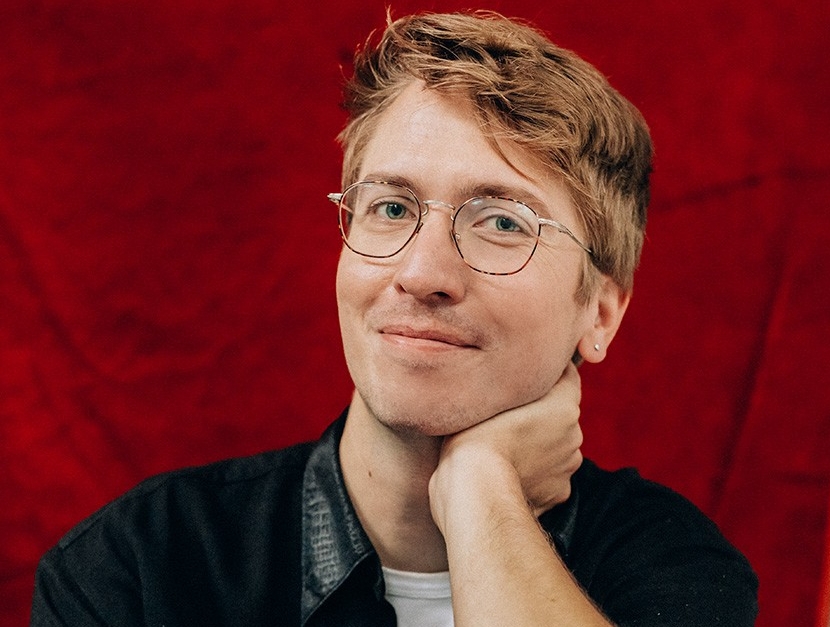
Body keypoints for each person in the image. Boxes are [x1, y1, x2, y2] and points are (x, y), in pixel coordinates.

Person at [31, 11, 758, 627]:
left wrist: (480, 487)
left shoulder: (672, 564)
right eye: (390, 208)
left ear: (599, 312)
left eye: (501, 222)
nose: (422, 273)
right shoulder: (136, 568)